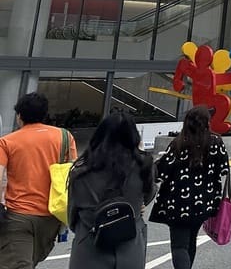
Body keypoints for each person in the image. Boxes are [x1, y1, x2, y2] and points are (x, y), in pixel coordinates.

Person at [0, 91, 78, 269]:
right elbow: (72, 173)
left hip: (18, 215)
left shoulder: (6, 142)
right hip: (52, 216)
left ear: (19, 116)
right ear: (45, 114)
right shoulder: (65, 137)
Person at [67, 112, 155, 268]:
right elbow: (148, 195)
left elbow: (72, 216)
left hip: (90, 245)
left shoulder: (81, 172)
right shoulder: (144, 166)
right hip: (130, 245)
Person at [150, 107, 230, 269]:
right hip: (204, 203)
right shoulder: (216, 142)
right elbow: (224, 169)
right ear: (207, 122)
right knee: (191, 240)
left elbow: (160, 172)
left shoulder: (179, 144)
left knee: (179, 245)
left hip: (177, 204)